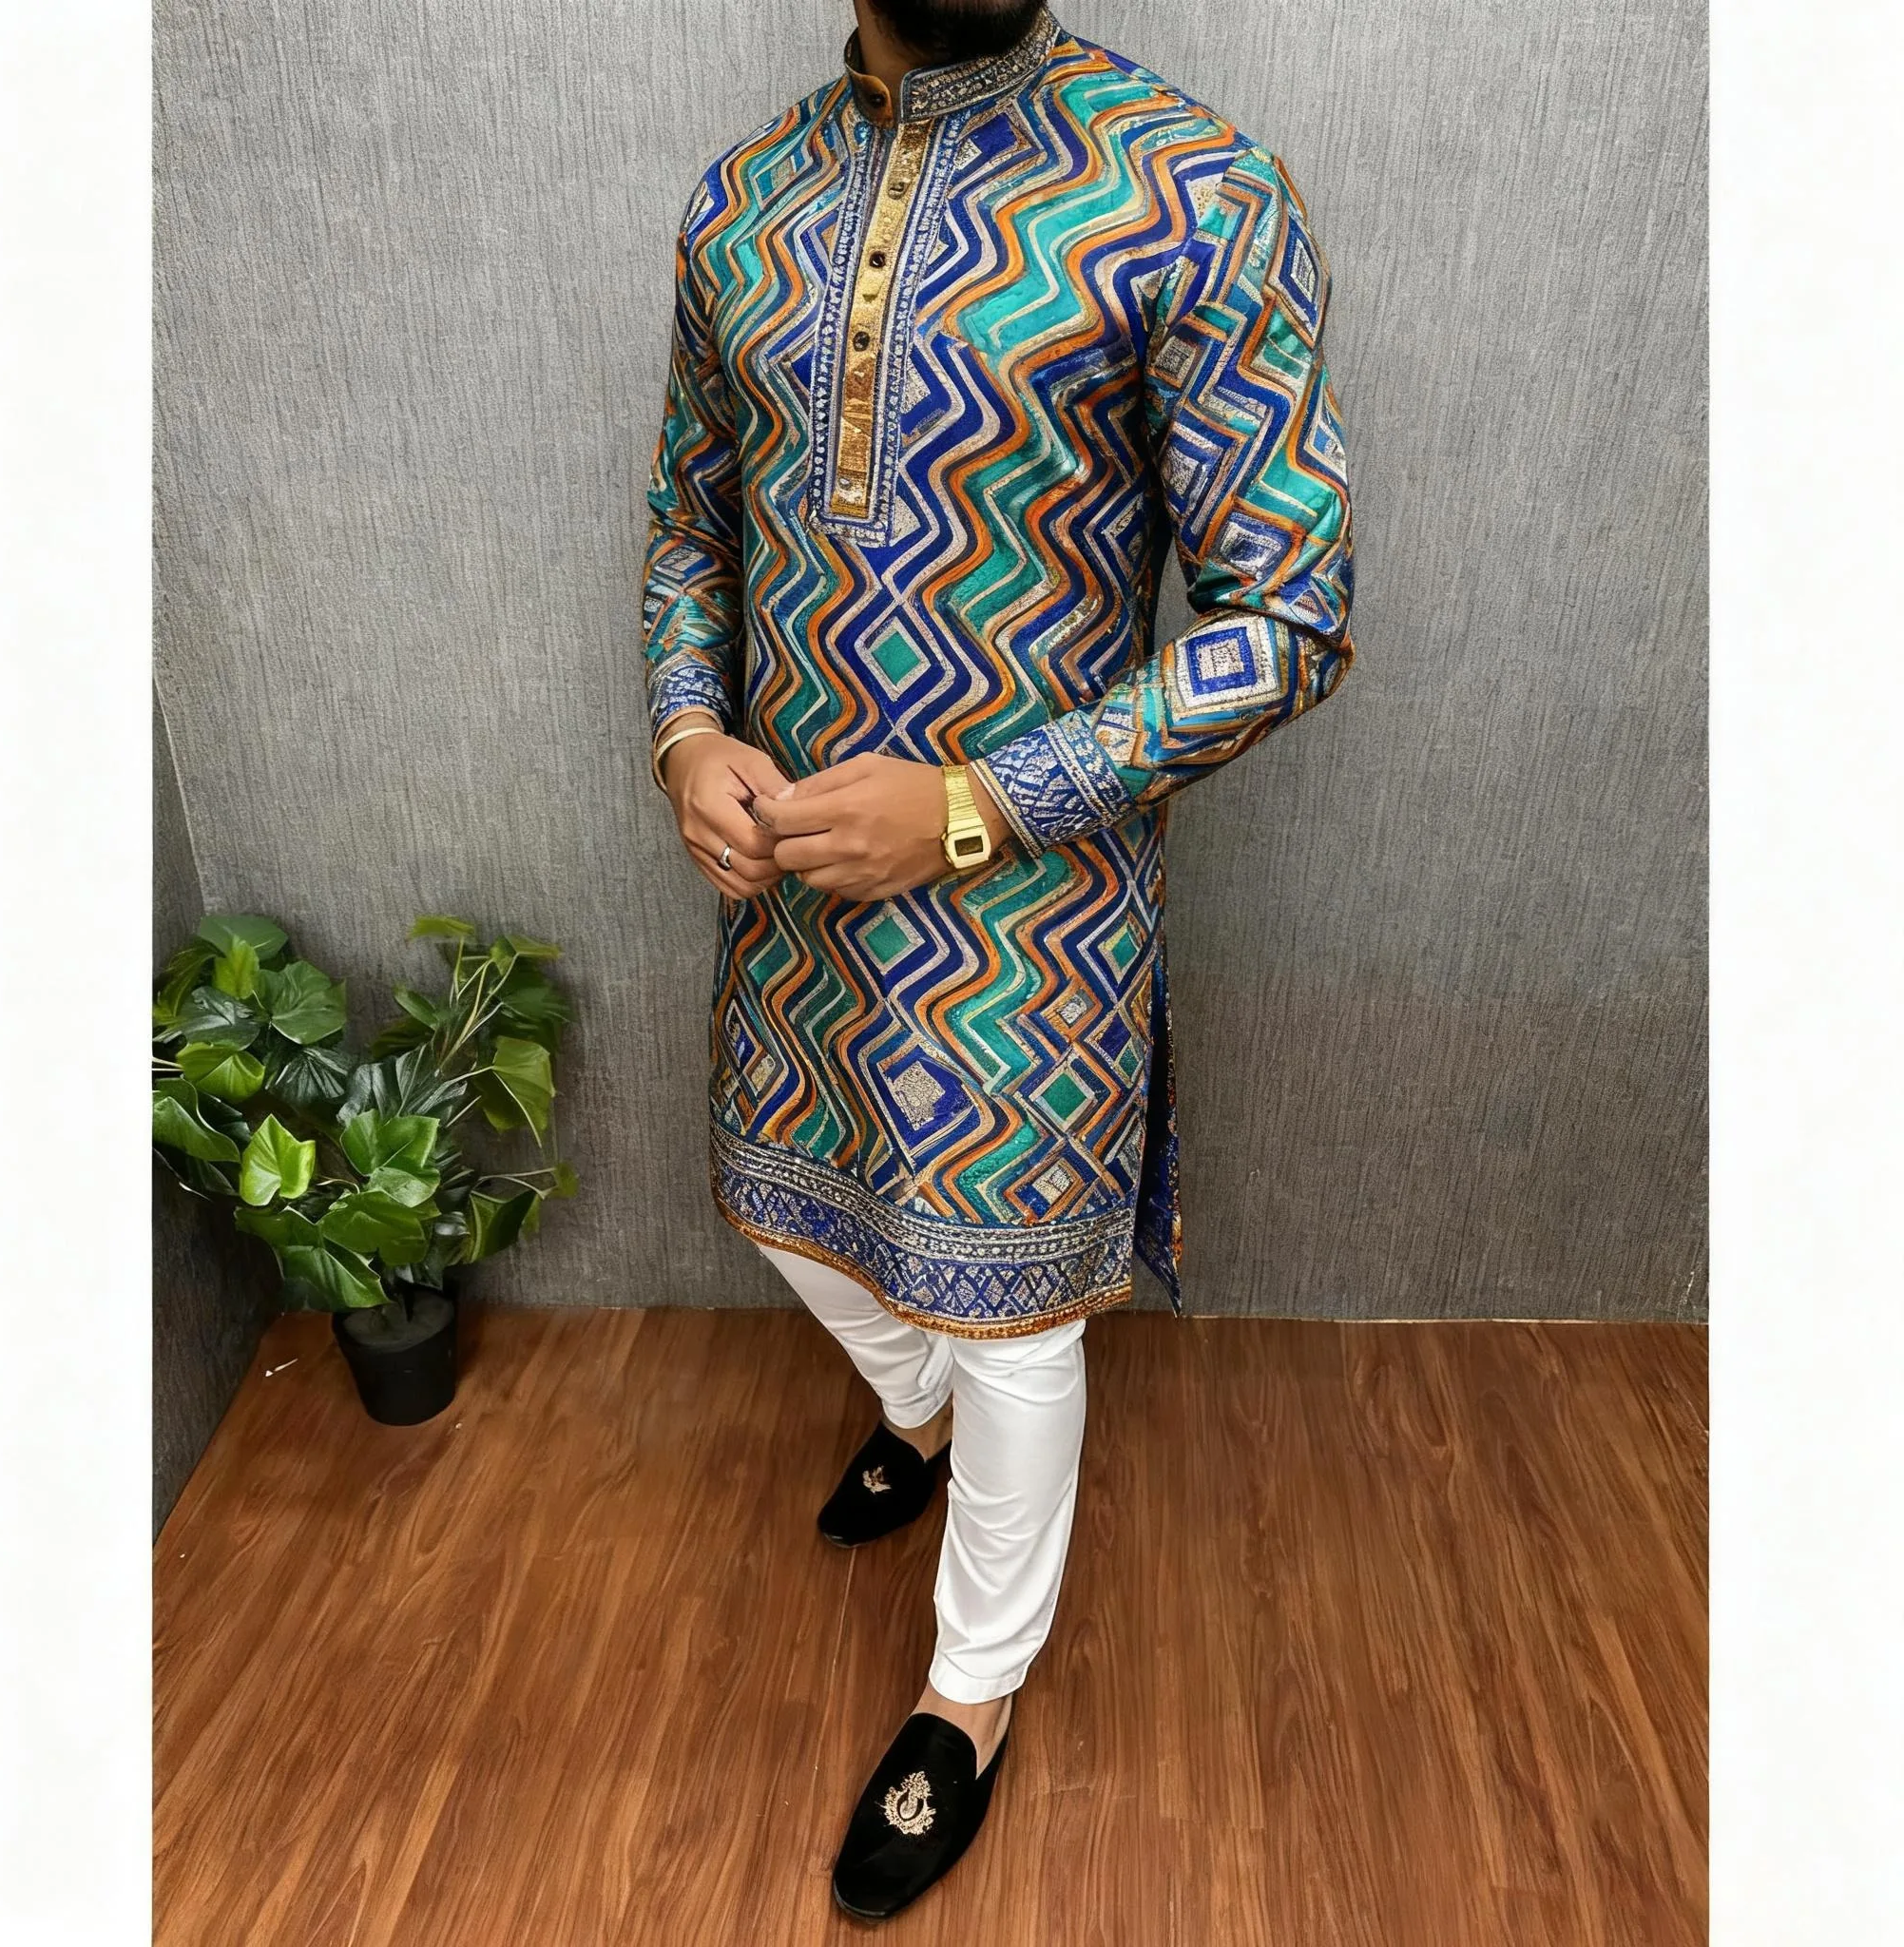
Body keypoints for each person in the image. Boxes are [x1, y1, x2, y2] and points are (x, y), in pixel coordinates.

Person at [642, 0, 1355, 1920]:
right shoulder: (743, 199)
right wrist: (689, 736)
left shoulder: (1190, 187)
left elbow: (1288, 612)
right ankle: (915, 1414)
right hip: (794, 885)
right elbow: (689, 523)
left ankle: (973, 1686)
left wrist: (971, 805)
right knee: (792, 1217)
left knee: (1017, 1321)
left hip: (1030, 914)